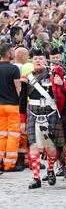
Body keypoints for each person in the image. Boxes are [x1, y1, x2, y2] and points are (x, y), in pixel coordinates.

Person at [20, 48, 65, 189]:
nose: (38, 61)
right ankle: (36, 177)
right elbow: (22, 100)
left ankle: (50, 169)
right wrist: (22, 120)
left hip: (50, 112)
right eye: (35, 59)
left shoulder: (53, 75)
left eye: (40, 58)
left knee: (50, 147)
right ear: (32, 62)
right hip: (33, 113)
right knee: (33, 146)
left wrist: (60, 82)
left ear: (46, 60)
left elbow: (63, 95)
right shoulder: (27, 78)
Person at [0, 43, 22, 172]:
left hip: (0, 106)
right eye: (12, 51)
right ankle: (9, 164)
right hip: (13, 106)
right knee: (13, 135)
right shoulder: (14, 69)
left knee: (1, 134)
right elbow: (18, 88)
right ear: (8, 53)